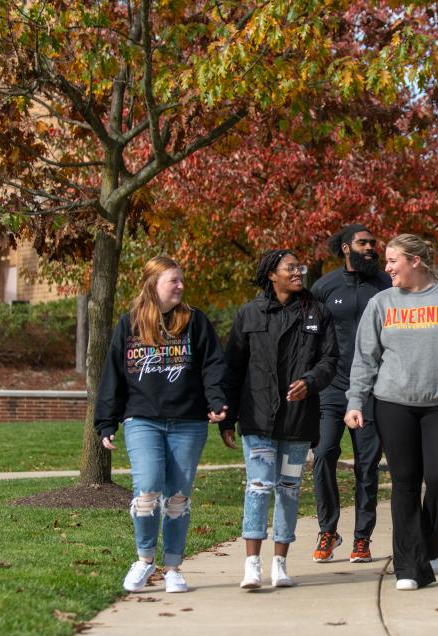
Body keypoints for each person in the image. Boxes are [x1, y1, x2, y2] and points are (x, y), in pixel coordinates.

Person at [345, 234, 438, 591]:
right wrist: (355, 401)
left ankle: (427, 542)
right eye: (387, 261)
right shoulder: (382, 303)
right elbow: (365, 358)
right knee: (405, 484)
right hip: (393, 404)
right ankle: (408, 567)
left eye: (393, 261)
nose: (386, 267)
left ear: (415, 261)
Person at [94, 255, 228, 594]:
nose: (181, 286)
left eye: (182, 280)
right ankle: (143, 560)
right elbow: (113, 375)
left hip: (189, 422)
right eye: (174, 280)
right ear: (153, 284)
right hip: (143, 420)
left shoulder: (195, 322)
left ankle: (172, 568)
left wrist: (216, 402)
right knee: (148, 491)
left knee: (178, 498)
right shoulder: (130, 324)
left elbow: (213, 366)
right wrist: (106, 421)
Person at [220, 249, 339, 590]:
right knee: (258, 487)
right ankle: (252, 564)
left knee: (288, 489)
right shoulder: (249, 314)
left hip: (298, 421)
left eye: (299, 267)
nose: (298, 272)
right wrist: (226, 418)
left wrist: (311, 381)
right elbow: (233, 368)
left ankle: (280, 564)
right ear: (272, 274)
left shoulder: (318, 312)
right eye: (290, 268)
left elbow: (330, 359)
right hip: (257, 417)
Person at [310, 224, 391, 563]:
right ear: (345, 248)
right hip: (333, 387)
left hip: (374, 388)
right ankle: (328, 529)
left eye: (373, 242)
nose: (371, 247)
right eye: (363, 243)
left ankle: (362, 537)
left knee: (367, 465)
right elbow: (310, 335)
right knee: (325, 453)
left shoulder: (387, 285)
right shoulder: (324, 287)